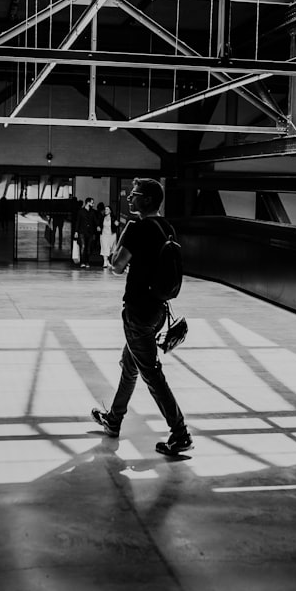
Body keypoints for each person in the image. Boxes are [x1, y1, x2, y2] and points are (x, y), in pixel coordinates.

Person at [91, 178, 192, 456]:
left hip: (138, 311)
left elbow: (116, 266)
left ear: (147, 199)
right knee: (130, 364)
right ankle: (113, 420)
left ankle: (180, 434)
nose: (129, 199)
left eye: (134, 195)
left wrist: (123, 238)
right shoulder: (165, 226)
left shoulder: (138, 228)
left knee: (150, 373)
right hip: (159, 309)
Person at [73, 197, 100, 268]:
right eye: (92, 203)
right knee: (83, 246)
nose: (93, 204)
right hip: (82, 231)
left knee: (88, 247)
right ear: (88, 203)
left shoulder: (93, 212)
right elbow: (78, 222)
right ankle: (82, 262)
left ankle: (87, 261)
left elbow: (95, 220)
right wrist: (76, 231)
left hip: (90, 232)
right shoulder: (81, 211)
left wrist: (97, 226)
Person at [99, 204, 117, 268]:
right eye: (105, 209)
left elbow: (116, 225)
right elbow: (99, 225)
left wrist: (116, 224)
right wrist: (98, 227)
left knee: (110, 248)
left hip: (111, 235)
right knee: (104, 248)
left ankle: (107, 261)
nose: (106, 210)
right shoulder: (102, 218)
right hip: (104, 235)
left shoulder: (113, 218)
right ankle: (105, 262)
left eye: (107, 209)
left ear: (110, 211)